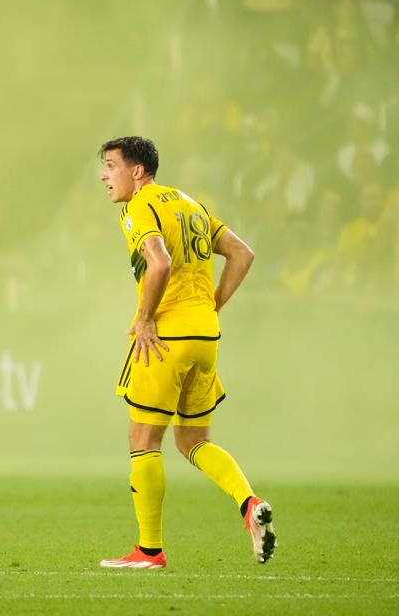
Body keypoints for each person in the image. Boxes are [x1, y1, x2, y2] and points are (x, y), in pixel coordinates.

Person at [96, 136, 276, 569]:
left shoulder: (140, 206)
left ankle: (149, 551)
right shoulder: (190, 204)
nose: (103, 175)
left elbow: (158, 263)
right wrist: (210, 306)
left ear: (137, 171)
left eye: (110, 165)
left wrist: (143, 318)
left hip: (166, 338)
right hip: (205, 334)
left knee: (143, 438)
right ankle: (249, 504)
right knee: (193, 439)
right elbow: (243, 253)